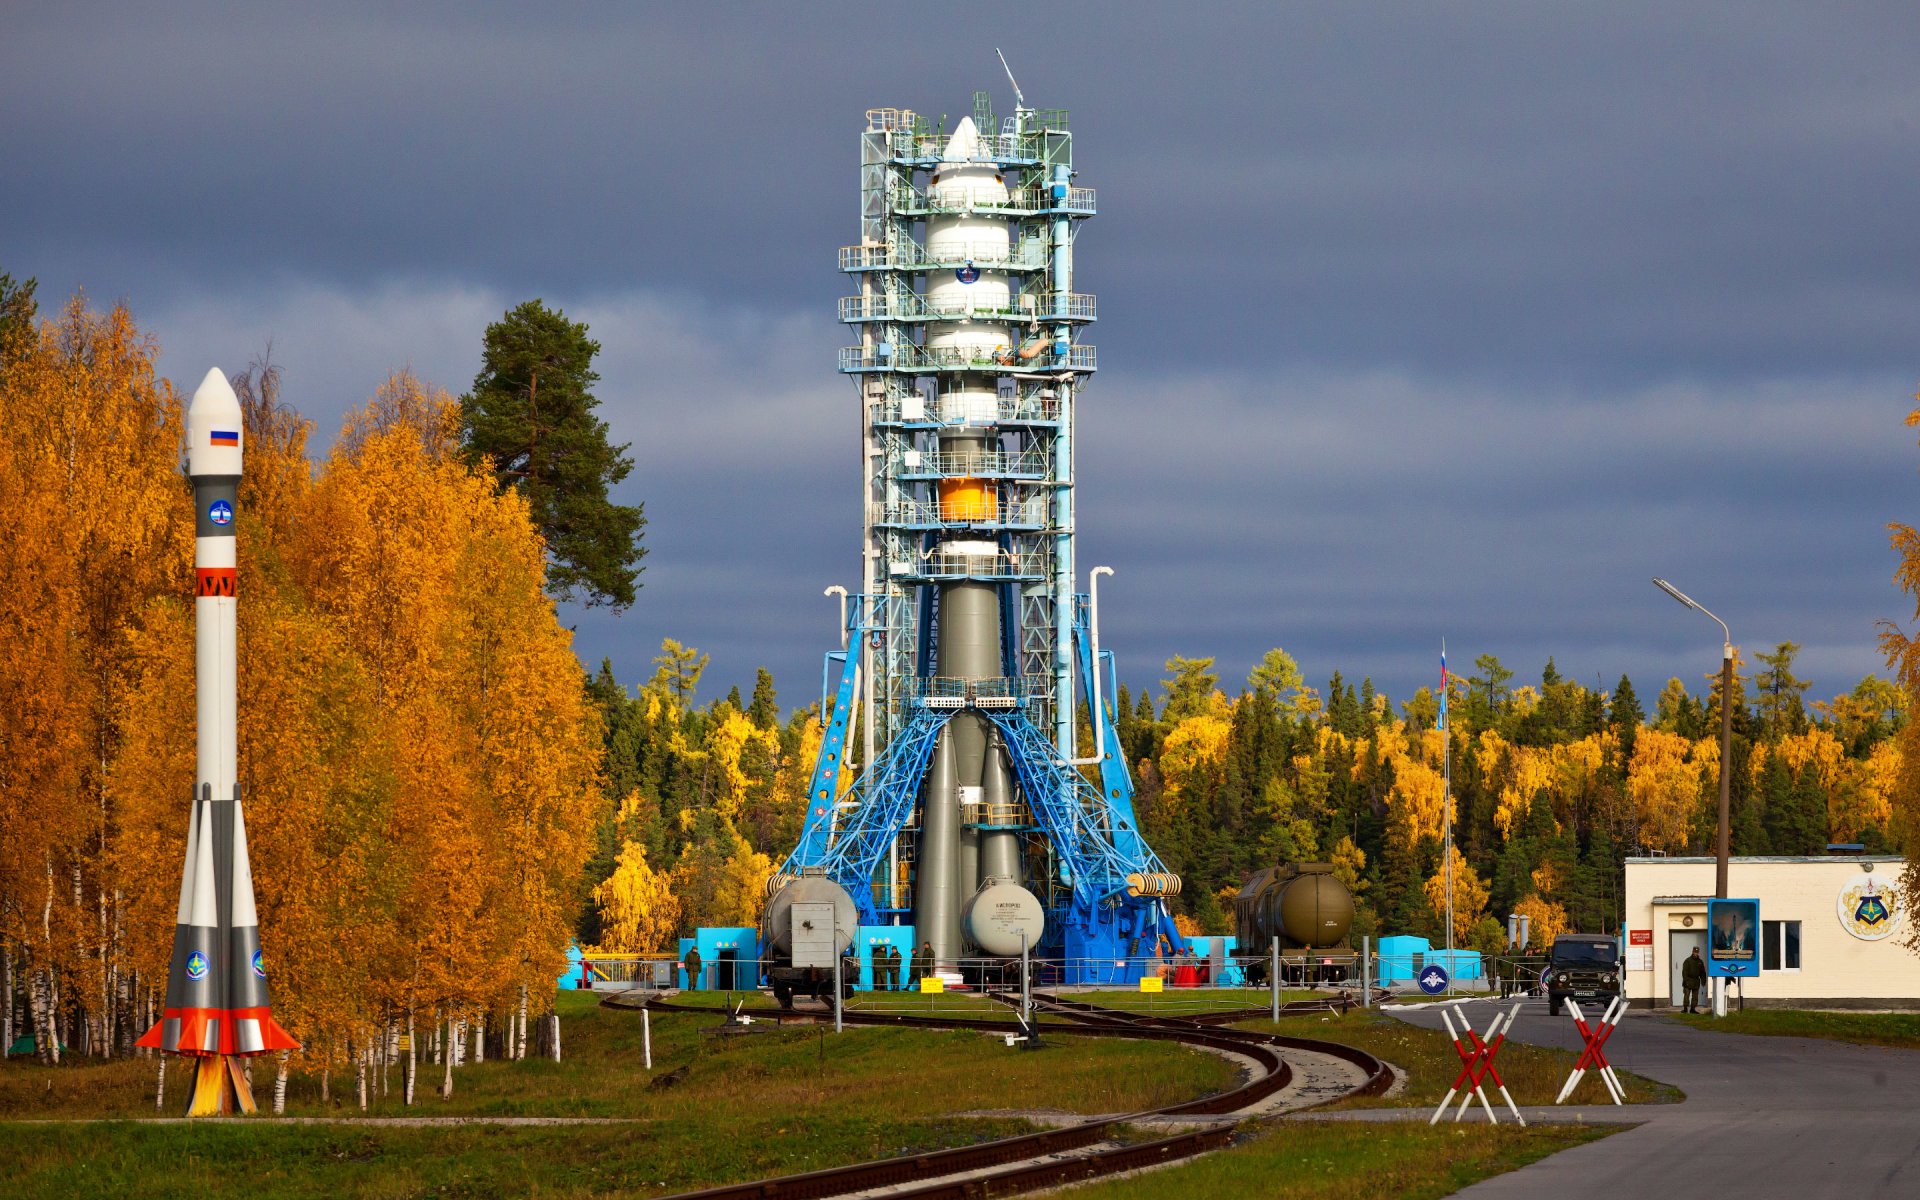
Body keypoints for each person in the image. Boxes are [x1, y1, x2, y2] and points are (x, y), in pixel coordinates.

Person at [1681, 946, 1707, 1014]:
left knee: (1695, 997)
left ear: (1698, 953)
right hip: (1688, 980)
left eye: (1697, 952)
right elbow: (1684, 972)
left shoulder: (1700, 962)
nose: (1696, 953)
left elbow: (1703, 972)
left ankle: (1693, 1009)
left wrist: (1703, 981)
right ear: (1692, 952)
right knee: (1686, 996)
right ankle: (1685, 1009)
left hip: (1696, 981)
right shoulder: (1687, 961)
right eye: (1694, 952)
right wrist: (1685, 981)